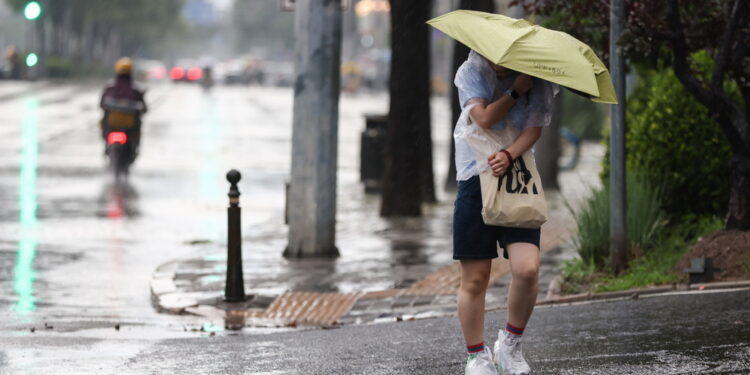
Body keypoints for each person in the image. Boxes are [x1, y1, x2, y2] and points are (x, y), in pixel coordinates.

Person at [453, 50, 558, 375]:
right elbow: (483, 118)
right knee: (475, 278)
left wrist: (509, 154)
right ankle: (476, 356)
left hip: (517, 180)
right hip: (475, 180)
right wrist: (515, 91)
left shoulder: (535, 76)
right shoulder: (471, 71)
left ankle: (509, 346)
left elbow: (534, 128)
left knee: (527, 268)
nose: (499, 61)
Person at [100, 57, 147, 157]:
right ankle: (135, 149)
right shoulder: (136, 89)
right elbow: (144, 108)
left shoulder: (110, 87)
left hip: (113, 126)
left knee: (104, 121)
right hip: (129, 127)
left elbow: (101, 105)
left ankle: (106, 145)